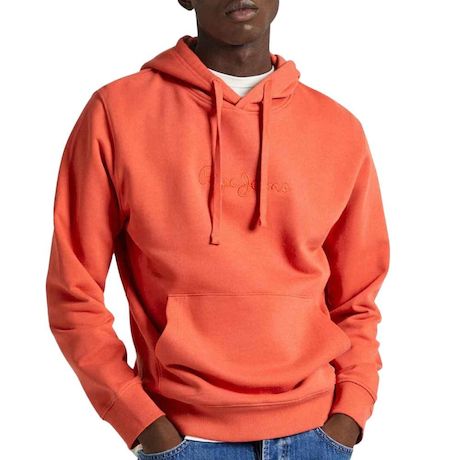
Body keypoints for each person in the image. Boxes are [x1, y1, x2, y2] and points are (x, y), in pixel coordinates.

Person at [45, 0, 390, 458]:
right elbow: (74, 290)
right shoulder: (117, 112)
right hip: (183, 435)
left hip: (316, 433)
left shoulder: (338, 128)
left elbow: (358, 297)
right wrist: (137, 417)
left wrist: (352, 410)